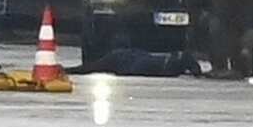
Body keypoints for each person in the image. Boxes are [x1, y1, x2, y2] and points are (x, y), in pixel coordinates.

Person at [66, 48, 202, 77]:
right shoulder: (170, 66)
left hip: (127, 58)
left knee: (91, 67)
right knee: (91, 68)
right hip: (125, 60)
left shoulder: (169, 64)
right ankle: (68, 70)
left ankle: (68, 70)